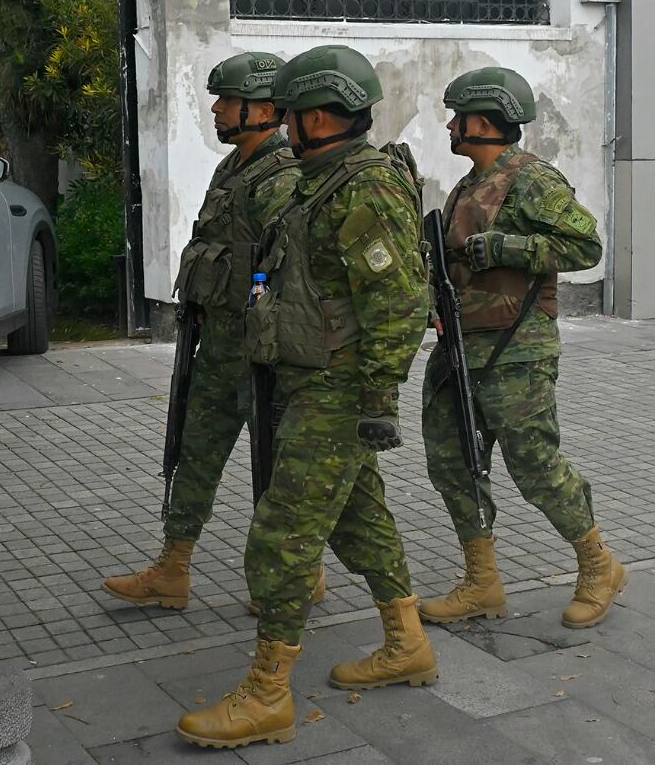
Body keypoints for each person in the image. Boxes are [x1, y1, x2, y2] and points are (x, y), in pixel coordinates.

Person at [177, 45, 436, 751]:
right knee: (361, 522)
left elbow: (401, 302)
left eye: (292, 113)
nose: (284, 126)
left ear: (320, 114)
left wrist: (380, 397)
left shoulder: (365, 187)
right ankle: (406, 641)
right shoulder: (313, 182)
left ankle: (267, 694)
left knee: (281, 537)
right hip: (305, 380)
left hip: (337, 391)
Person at [101, 52, 326, 612]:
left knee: (275, 467)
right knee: (194, 452)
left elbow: (293, 269)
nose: (217, 109)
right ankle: (173, 569)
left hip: (264, 353)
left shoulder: (280, 177)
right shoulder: (235, 168)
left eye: (228, 100)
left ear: (267, 109)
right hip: (220, 345)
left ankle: (304, 574)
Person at [419, 66, 624, 630]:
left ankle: (598, 564)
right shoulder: (466, 184)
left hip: (516, 350)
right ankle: (482, 582)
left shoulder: (531, 180)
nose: (451, 126)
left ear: (483, 120)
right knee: (453, 463)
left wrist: (507, 246)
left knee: (533, 465)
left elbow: (585, 245)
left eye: (458, 117)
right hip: (460, 346)